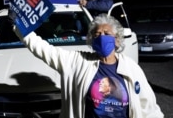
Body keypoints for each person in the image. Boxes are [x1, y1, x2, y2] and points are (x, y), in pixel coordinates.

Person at [13, 13, 164, 118]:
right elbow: (42, 48)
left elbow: (149, 106)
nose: (102, 37)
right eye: (97, 34)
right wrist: (19, 26)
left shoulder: (132, 68)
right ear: (91, 40)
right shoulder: (76, 61)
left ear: (117, 40)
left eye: (107, 33)